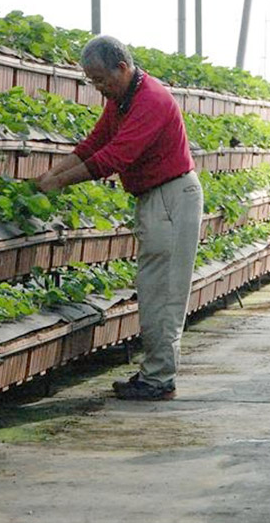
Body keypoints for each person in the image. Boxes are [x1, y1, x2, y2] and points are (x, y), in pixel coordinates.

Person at [34, 35, 203, 401]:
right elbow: (94, 144)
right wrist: (52, 174)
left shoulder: (150, 101)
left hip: (172, 198)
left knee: (164, 295)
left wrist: (59, 183)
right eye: (91, 81)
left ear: (122, 69)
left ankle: (159, 380)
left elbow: (114, 158)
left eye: (100, 80)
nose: (98, 88)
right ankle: (154, 374)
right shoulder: (122, 98)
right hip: (157, 198)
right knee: (152, 289)